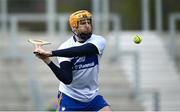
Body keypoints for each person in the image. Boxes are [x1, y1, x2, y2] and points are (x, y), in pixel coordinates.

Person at [33, 10, 112, 111]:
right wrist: (47, 60)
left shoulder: (99, 40)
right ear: (74, 27)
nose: (87, 25)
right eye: (83, 23)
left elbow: (84, 50)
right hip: (70, 98)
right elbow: (67, 79)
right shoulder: (65, 47)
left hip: (92, 97)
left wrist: (52, 53)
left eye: (89, 22)